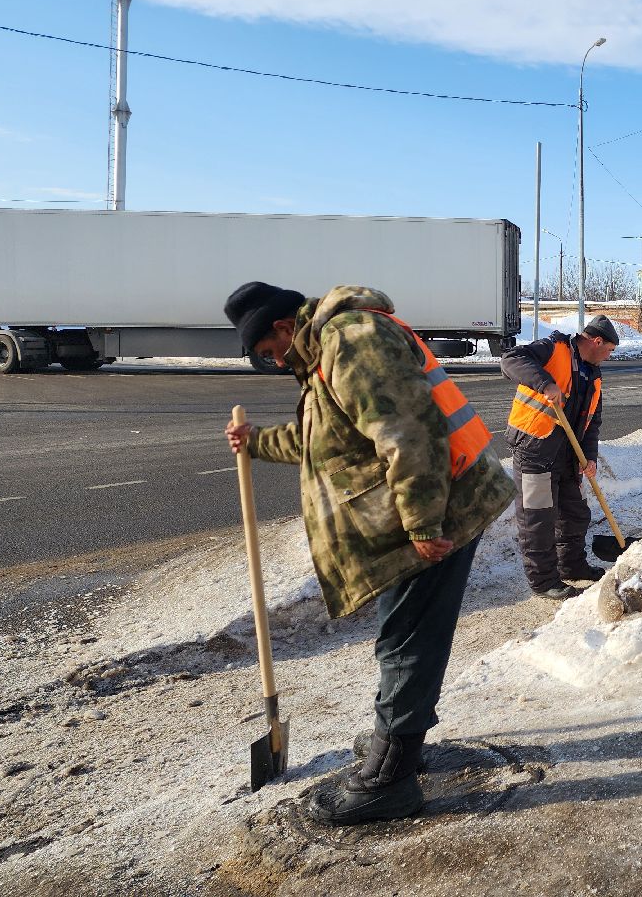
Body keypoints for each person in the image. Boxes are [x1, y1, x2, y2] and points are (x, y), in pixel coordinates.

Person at [222, 282, 515, 826]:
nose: (275, 362)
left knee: (408, 637)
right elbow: (326, 440)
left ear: (284, 328)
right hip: (408, 518)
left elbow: (408, 433)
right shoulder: (324, 355)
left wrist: (423, 523)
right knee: (401, 633)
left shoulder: (350, 341)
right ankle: (396, 740)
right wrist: (256, 441)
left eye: (269, 352)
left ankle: (391, 779)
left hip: (431, 514)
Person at [500, 315, 619, 600]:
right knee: (537, 518)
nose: (609, 356)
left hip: (569, 456)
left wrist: (589, 457)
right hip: (535, 449)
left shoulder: (593, 374)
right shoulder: (555, 348)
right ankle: (543, 582)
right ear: (597, 341)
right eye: (610, 350)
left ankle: (572, 565)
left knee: (575, 514)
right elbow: (510, 360)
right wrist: (544, 383)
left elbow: (593, 420)